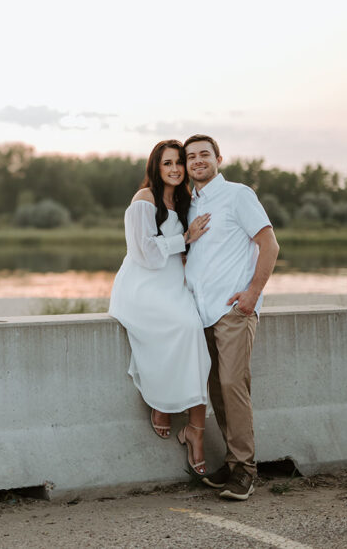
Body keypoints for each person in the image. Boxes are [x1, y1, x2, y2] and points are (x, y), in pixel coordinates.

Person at [183, 134, 280, 502]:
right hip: (201, 313)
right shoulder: (189, 205)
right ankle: (232, 461)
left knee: (233, 386)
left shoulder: (239, 195)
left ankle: (246, 471)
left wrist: (252, 294)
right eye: (191, 157)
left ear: (218, 158)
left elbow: (269, 244)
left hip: (233, 311)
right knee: (217, 391)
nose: (197, 161)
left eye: (204, 154)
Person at [108, 139, 212, 476]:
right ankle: (159, 400)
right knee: (180, 327)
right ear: (156, 166)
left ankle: (195, 430)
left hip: (173, 285)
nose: (175, 169)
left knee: (193, 329)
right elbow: (146, 255)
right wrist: (183, 239)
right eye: (167, 163)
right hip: (143, 287)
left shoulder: (183, 201)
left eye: (179, 162)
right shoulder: (144, 200)